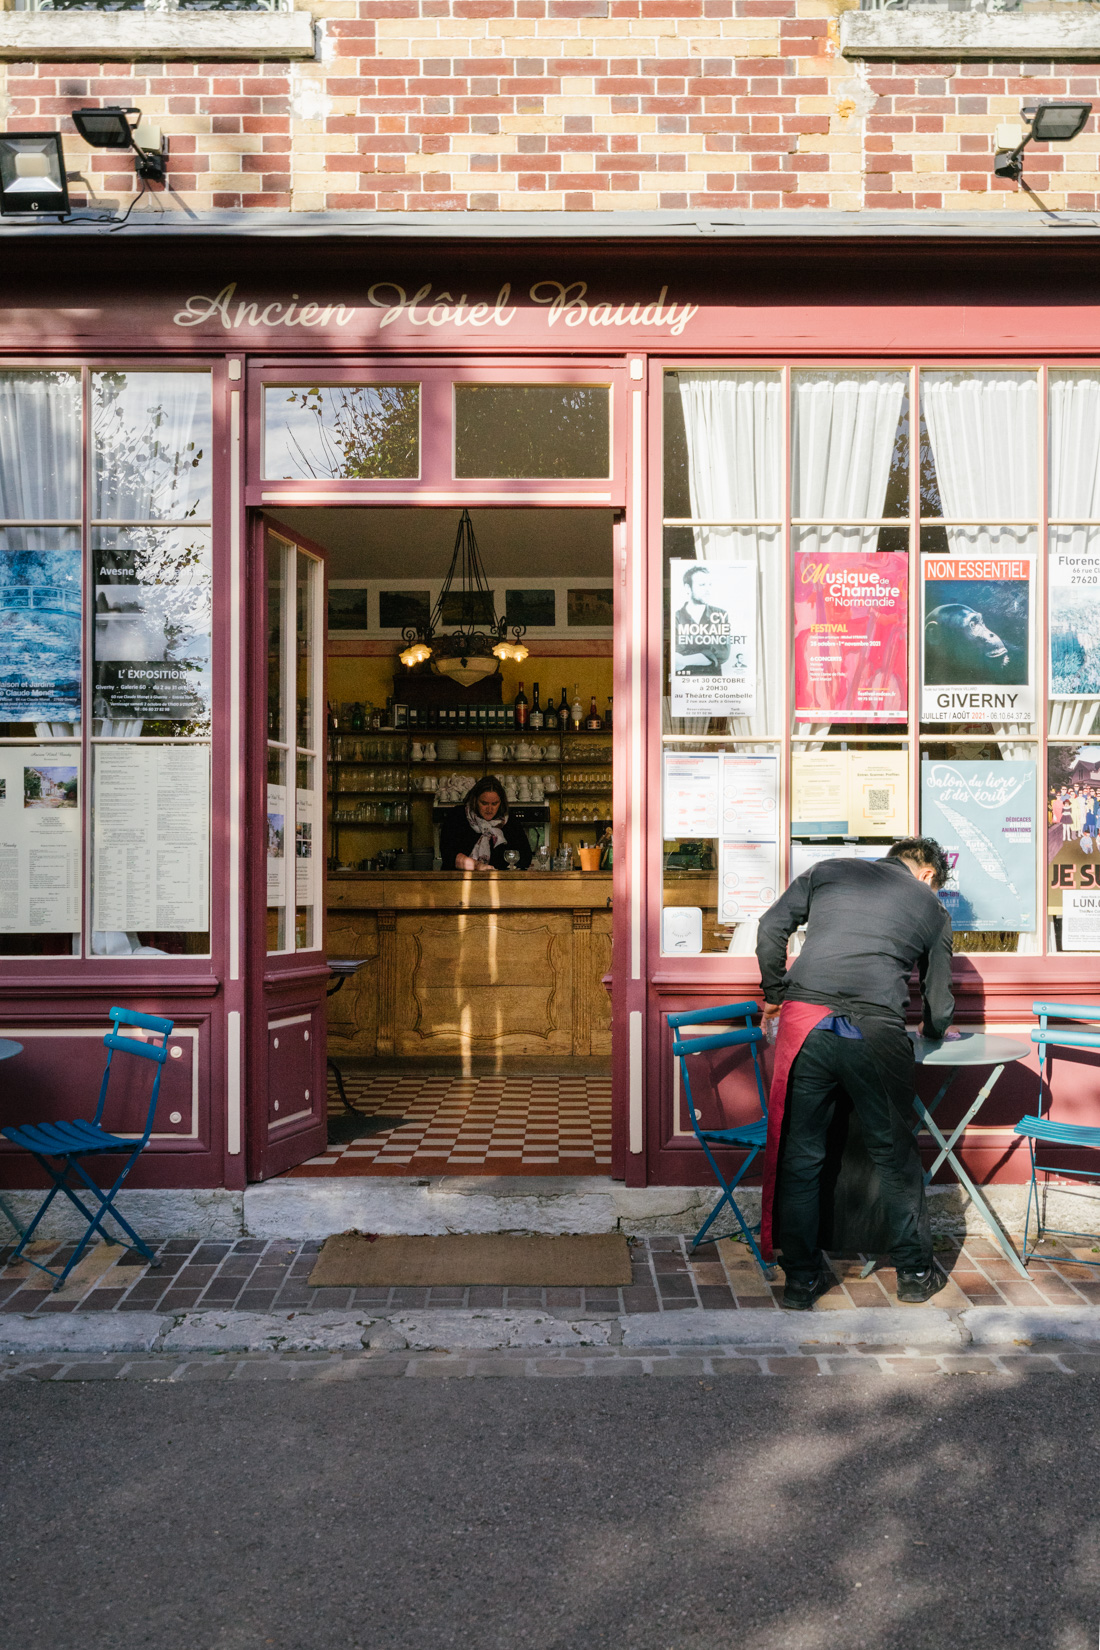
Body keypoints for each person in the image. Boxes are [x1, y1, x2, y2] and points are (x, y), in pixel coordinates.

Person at [755, 838, 954, 1311]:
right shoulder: (931, 906)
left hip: (807, 1023)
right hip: (875, 1029)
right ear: (927, 874)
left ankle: (801, 1281)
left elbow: (769, 928)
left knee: (802, 1156)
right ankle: (913, 1274)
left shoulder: (830, 871)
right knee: (893, 1155)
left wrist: (776, 991)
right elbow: (940, 1004)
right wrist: (933, 1028)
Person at [439, 775, 533, 872]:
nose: (489, 809)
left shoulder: (508, 821)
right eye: (484, 803)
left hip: (499, 882)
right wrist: (477, 866)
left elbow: (525, 856)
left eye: (494, 803)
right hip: (457, 881)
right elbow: (449, 855)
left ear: (501, 802)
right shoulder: (457, 816)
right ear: (475, 800)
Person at [673, 564, 732, 677]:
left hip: (712, 685)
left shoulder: (720, 615)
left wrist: (685, 660)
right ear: (688, 588)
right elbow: (676, 653)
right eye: (702, 585)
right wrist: (708, 654)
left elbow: (723, 653)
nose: (708, 589)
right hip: (684, 683)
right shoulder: (676, 617)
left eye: (709, 584)